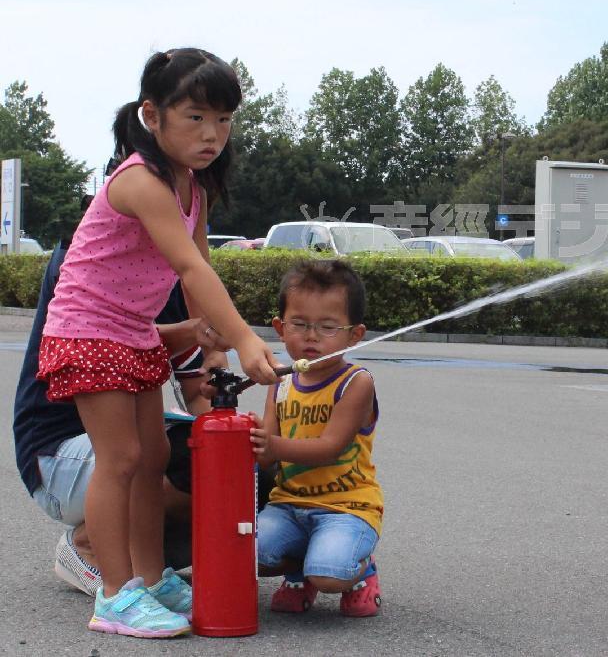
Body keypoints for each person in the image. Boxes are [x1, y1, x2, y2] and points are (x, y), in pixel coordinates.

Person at [35, 48, 279, 638]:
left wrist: (213, 345)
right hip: (88, 331)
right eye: (195, 117)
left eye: (223, 120)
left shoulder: (192, 186)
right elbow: (190, 267)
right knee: (120, 460)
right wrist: (245, 338)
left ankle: (151, 577)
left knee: (154, 460)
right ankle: (114, 595)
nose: (212, 134)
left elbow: (197, 272)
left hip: (135, 334)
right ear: (152, 115)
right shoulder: (141, 182)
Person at [250, 259, 383, 618]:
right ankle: (301, 571)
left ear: (354, 335)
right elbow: (266, 456)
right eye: (299, 324)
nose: (312, 336)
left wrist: (272, 444)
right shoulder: (280, 381)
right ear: (280, 328)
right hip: (288, 505)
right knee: (246, 552)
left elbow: (329, 448)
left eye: (328, 327)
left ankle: (360, 571)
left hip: (346, 507)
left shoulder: (356, 383)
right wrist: (248, 437)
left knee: (329, 573)